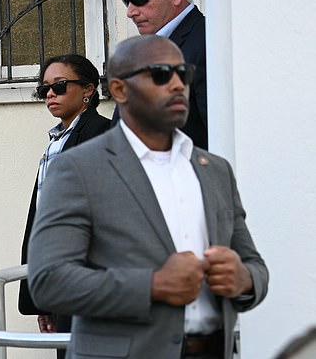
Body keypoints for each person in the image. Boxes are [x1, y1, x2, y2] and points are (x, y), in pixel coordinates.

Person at [27, 35, 268, 359]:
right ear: (120, 89)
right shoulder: (77, 169)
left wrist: (245, 280)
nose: (177, 85)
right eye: (160, 74)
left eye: (183, 74)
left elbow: (253, 264)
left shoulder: (216, 171)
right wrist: (152, 285)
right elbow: (48, 281)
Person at [18, 54, 111, 359]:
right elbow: (41, 218)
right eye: (44, 89)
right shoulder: (55, 142)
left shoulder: (103, 134)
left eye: (59, 86)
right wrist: (39, 298)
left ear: (88, 89)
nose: (50, 95)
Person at [112, 0, 208, 149]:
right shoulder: (143, 49)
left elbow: (216, 137)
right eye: (125, 1)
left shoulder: (207, 42)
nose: (130, 12)